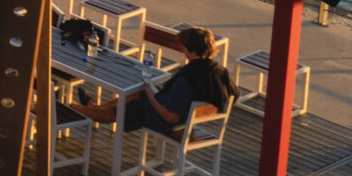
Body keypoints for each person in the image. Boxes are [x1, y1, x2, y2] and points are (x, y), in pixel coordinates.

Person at [71, 25, 237, 133]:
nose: (182, 49)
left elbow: (170, 117)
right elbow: (232, 94)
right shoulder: (218, 71)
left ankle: (72, 109)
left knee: (122, 110)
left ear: (191, 50)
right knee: (135, 95)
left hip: (168, 121)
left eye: (184, 47)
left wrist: (152, 97)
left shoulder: (187, 79)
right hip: (187, 117)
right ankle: (94, 108)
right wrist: (164, 92)